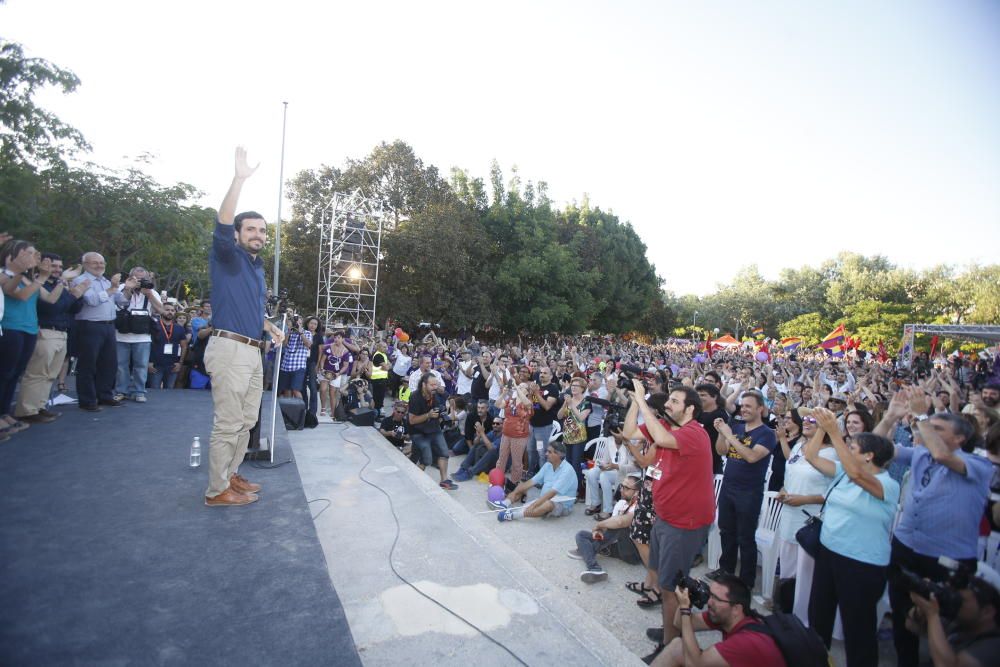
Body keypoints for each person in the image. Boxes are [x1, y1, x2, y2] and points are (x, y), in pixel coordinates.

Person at [875, 388, 992, 667]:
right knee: (905, 620)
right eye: (929, 426)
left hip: (946, 559)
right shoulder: (920, 454)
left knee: (946, 625)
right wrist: (890, 418)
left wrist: (920, 415)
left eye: (938, 428)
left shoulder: (979, 464)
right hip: (906, 547)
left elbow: (942, 455)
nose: (927, 429)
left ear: (960, 438)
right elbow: (875, 449)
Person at [203, 147, 284, 507]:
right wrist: (239, 179)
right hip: (230, 349)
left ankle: (231, 475)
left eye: (263, 230)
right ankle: (216, 490)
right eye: (250, 228)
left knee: (247, 419)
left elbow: (249, 307)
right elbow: (222, 219)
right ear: (237, 234)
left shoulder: (255, 268)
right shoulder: (227, 255)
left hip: (252, 349)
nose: (258, 234)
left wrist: (268, 326)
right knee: (228, 421)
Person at [804, 408, 899, 667]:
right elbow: (811, 455)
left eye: (853, 448)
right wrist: (824, 427)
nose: (846, 448)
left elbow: (858, 476)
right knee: (818, 616)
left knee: (858, 629)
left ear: (868, 457)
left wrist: (835, 433)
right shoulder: (843, 472)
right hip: (829, 553)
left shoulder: (888, 485)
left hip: (861, 563)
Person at [629, 382, 716, 659]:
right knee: (665, 582)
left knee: (670, 589)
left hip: (683, 523)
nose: (668, 404)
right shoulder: (666, 428)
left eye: (675, 402)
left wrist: (645, 402)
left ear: (690, 409)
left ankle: (670, 648)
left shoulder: (695, 433)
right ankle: (672, 629)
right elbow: (630, 432)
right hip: (665, 517)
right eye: (669, 400)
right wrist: (635, 401)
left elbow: (663, 441)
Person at [775, 409, 838, 626]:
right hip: (788, 516)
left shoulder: (831, 453)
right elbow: (789, 475)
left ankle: (801, 622)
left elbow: (834, 492)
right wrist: (784, 489)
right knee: (787, 571)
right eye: (805, 420)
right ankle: (785, 614)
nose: (807, 422)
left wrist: (804, 499)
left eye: (814, 420)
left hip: (809, 519)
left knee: (805, 576)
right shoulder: (798, 447)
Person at [710, 390, 777, 589]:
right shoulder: (736, 427)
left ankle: (745, 581)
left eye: (749, 406)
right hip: (729, 487)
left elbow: (751, 457)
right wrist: (722, 434)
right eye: (742, 405)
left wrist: (730, 436)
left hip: (749, 492)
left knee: (745, 537)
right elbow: (721, 451)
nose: (743, 409)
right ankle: (726, 570)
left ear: (760, 409)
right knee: (726, 531)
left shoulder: (767, 434)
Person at [650, 573, 787, 667]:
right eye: (710, 595)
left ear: (736, 609)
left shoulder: (746, 642)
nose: (709, 602)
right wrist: (688, 601)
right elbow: (679, 623)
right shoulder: (731, 617)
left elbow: (695, 664)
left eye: (716, 598)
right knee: (677, 646)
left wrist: (685, 611)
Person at [12, 253, 87, 423]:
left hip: (62, 332)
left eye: (60, 267)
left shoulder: (57, 285)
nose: (58, 270)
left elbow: (73, 308)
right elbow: (52, 307)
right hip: (45, 331)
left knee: (50, 375)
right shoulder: (37, 284)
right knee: (37, 373)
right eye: (54, 266)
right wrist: (69, 292)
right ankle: (27, 410)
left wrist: (78, 294)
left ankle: (39, 406)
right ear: (43, 265)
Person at [905, 571, 1000, 667]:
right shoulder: (959, 622)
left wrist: (932, 615)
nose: (954, 604)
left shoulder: (994, 645)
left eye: (960, 600)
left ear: (987, 612)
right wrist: (922, 606)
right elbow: (911, 625)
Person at [71, 251, 127, 412]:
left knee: (109, 363)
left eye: (102, 263)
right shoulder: (81, 280)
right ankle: (87, 400)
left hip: (109, 325)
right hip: (89, 325)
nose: (99, 266)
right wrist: (112, 289)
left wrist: (127, 290)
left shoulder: (105, 281)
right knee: (88, 365)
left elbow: (122, 301)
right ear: (85, 265)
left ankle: (105, 395)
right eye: (95, 263)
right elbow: (92, 300)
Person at [569, 472, 641, 583]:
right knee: (581, 535)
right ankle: (594, 566)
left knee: (620, 526)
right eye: (621, 486)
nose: (621, 490)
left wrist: (599, 525)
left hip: (631, 551)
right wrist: (598, 531)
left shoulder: (639, 507)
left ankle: (586, 551)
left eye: (626, 488)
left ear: (637, 493)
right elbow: (609, 527)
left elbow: (620, 522)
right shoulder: (621, 503)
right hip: (616, 545)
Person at [113, 266, 163, 403]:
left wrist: (149, 294)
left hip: (142, 336)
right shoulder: (122, 288)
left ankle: (139, 391)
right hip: (121, 334)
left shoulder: (150, 290)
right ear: (130, 277)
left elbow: (160, 310)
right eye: (136, 278)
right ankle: (121, 391)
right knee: (120, 366)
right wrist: (129, 289)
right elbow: (118, 303)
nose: (139, 282)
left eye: (142, 279)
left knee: (141, 366)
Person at [494, 441, 578, 521]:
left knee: (548, 504)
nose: (546, 454)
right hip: (543, 496)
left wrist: (534, 505)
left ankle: (513, 515)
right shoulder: (548, 465)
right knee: (523, 486)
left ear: (558, 455)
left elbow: (552, 493)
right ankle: (505, 503)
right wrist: (516, 491)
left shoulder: (567, 471)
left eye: (549, 452)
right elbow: (531, 482)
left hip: (561, 504)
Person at [408, 373, 458, 491]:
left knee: (444, 453)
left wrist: (445, 413)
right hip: (418, 431)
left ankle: (444, 481)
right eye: (432, 385)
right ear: (424, 385)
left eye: (436, 384)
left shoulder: (434, 395)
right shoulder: (415, 397)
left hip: (433, 429)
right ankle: (413, 481)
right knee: (427, 459)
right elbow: (412, 420)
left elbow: (437, 412)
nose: (435, 387)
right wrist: (428, 415)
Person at [494, 380, 533, 487]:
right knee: (501, 459)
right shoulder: (511, 400)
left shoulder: (528, 401)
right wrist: (504, 393)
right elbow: (497, 404)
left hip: (519, 436)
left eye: (522, 387)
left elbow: (527, 404)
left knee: (516, 462)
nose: (519, 387)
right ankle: (497, 481)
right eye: (518, 386)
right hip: (506, 433)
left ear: (527, 391)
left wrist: (516, 386)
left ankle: (514, 484)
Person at [148, 301, 189, 389]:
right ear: (161, 311)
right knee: (154, 391)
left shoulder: (179, 328)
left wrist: (180, 363)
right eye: (167, 310)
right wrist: (148, 362)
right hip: (155, 365)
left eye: (172, 310)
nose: (170, 312)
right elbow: (147, 345)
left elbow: (184, 346)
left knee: (169, 392)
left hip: (173, 365)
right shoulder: (154, 326)